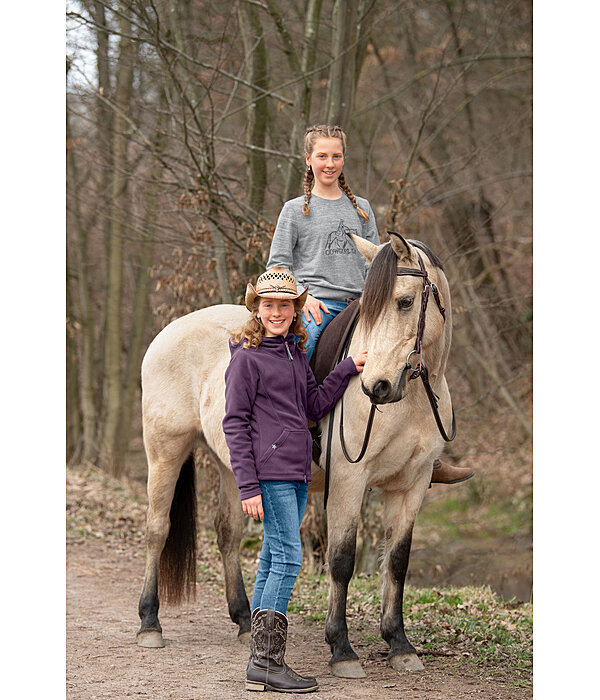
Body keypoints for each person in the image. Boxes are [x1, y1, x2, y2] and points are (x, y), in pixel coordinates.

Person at [267, 124, 473, 486]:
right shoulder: (295, 211)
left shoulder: (361, 210)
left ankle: (426, 454)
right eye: (322, 156)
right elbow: (277, 265)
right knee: (302, 353)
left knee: (409, 355)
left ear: (344, 159)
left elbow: (378, 263)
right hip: (317, 307)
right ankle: (301, 434)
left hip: (364, 305)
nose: (329, 163)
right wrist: (304, 295)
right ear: (308, 160)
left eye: (336, 156)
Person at [222, 267, 368, 694]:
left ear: (295, 309)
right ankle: (266, 662)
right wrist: (247, 487)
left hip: (298, 470)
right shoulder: (246, 357)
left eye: (284, 305)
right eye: (268, 305)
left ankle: (261, 663)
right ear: (257, 309)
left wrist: (345, 369)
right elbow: (234, 423)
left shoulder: (294, 353)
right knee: (288, 559)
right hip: (269, 473)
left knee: (272, 557)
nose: (277, 312)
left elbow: (313, 405)